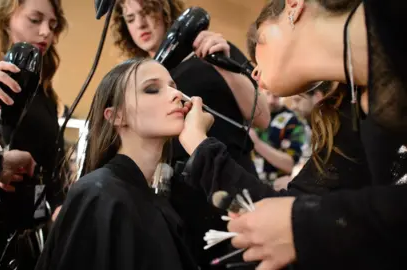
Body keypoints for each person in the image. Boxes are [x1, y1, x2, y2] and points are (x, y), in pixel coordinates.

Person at [220, 0, 407, 269]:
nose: (255, 71)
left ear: (294, 5)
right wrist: (200, 146)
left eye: (259, 42)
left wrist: (309, 225)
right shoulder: (348, 110)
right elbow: (296, 203)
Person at [111, 0, 270, 268]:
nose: (140, 23)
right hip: (174, 206)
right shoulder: (132, 78)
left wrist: (222, 64)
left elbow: (262, 117)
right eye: (130, 18)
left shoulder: (211, 53)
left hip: (228, 186)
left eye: (147, 12)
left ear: (165, 11)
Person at [35, 58, 207, 270]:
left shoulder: (159, 201)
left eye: (174, 87)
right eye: (152, 89)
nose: (176, 95)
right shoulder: (98, 194)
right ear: (117, 115)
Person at [0, 0, 68, 268]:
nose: (46, 32)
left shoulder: (43, 94)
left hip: (25, 238)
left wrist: (59, 206)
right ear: (5, 16)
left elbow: (48, 164)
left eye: (53, 26)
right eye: (35, 20)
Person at [251, 90, 306, 183]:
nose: (271, 100)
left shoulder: (294, 122)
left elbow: (289, 165)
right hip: (249, 181)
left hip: (275, 185)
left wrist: (257, 144)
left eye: (276, 95)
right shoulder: (251, 114)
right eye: (268, 94)